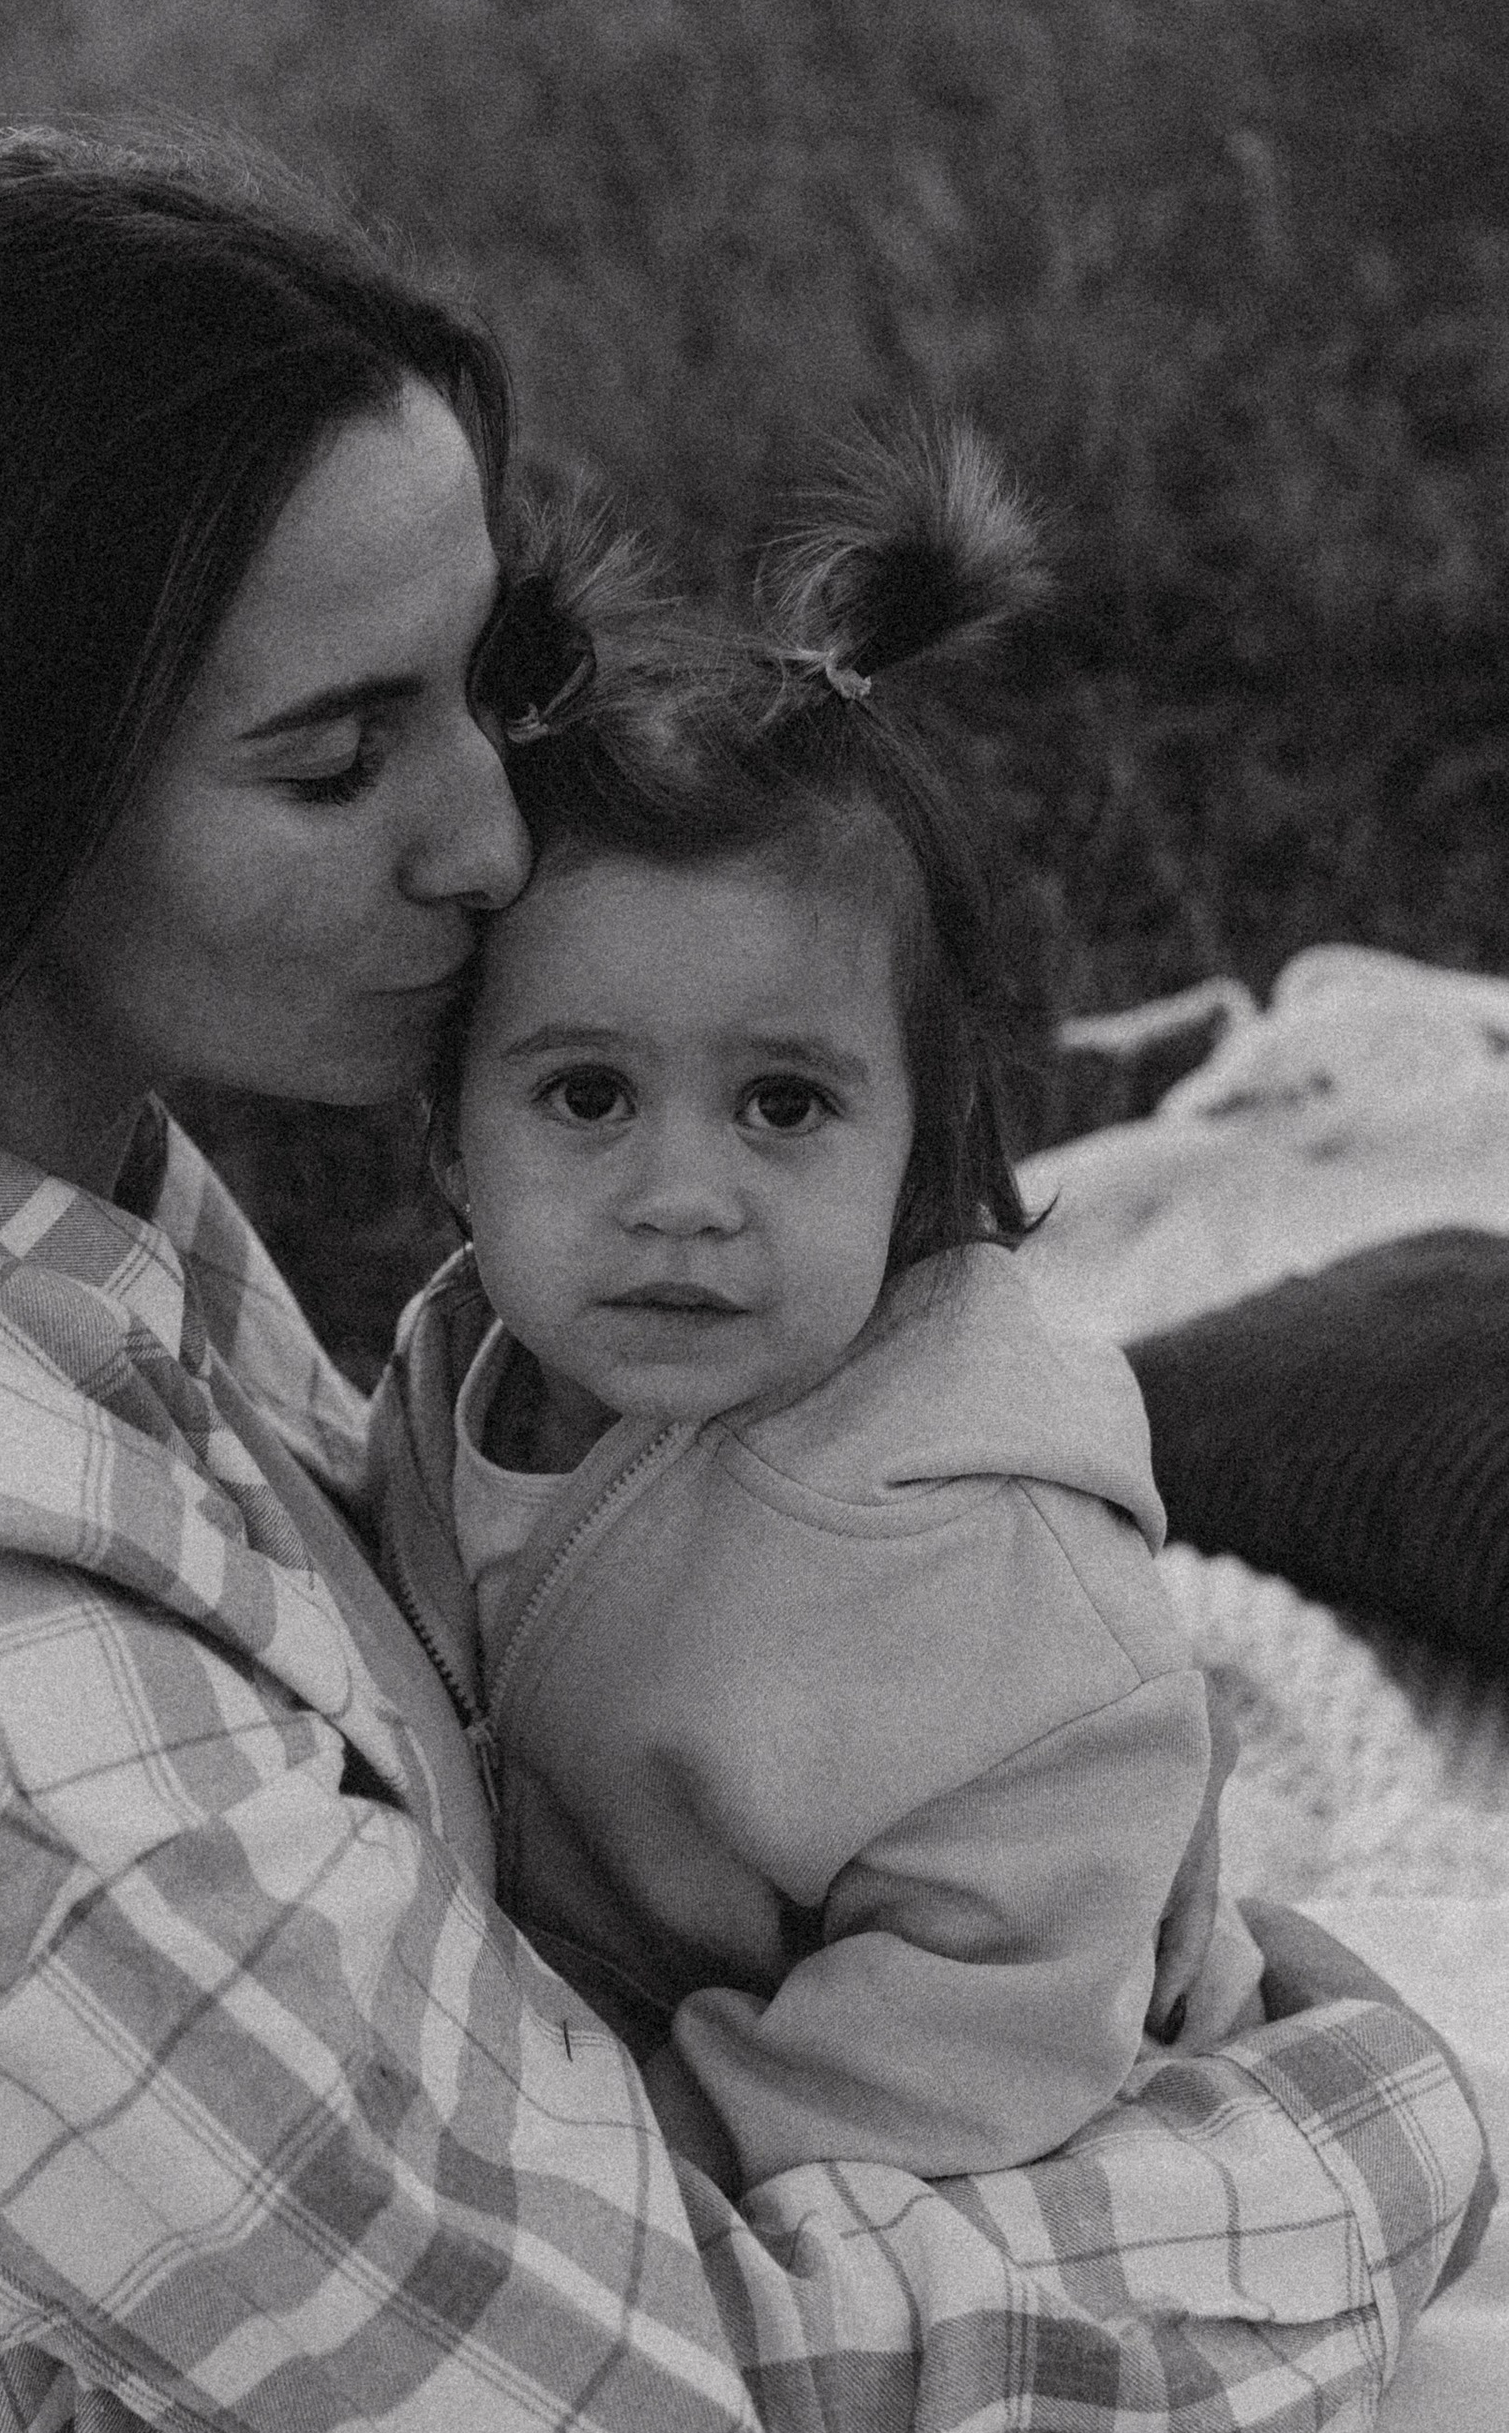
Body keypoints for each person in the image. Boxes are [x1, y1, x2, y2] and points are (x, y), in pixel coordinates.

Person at [0, 129, 1489, 2433]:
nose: (492, 840)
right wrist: (1380, 2129)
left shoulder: (0, 1198)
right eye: (335, 754)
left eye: (477, 685)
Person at [369, 430, 1265, 2209]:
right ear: (453, 1141)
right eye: (585, 1098)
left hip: (963, 2126)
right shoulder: (459, 1371)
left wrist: (660, 2147)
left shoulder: (969, 1559)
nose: (683, 1194)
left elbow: (997, 2001)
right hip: (598, 2030)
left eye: (783, 1106)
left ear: (922, 1146)